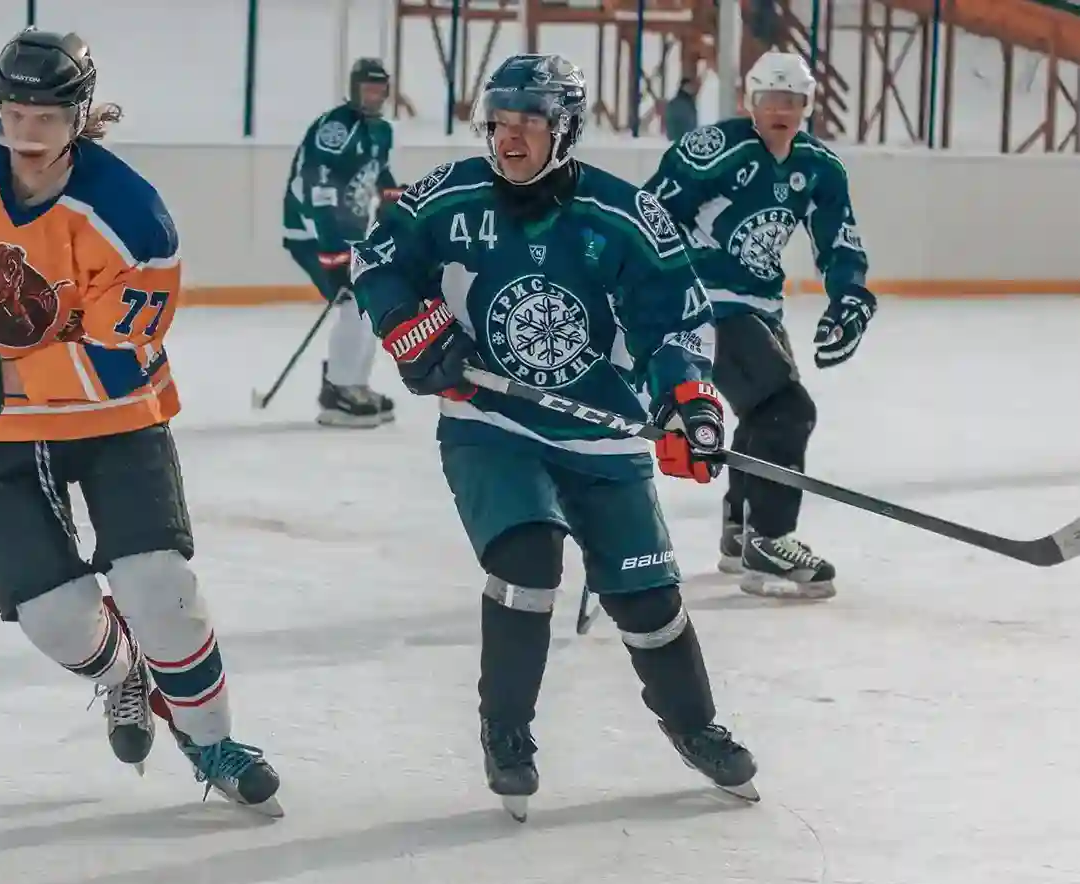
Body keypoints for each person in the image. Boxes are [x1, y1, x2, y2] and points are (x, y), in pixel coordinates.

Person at [0, 27, 281, 815]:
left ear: (81, 120)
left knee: (156, 586)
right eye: (10, 117)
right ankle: (122, 674)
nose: (25, 138)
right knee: (57, 619)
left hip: (114, 420)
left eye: (47, 120)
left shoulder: (132, 220)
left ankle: (211, 737)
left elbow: (117, 362)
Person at [349, 53, 758, 818]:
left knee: (648, 598)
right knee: (527, 558)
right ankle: (506, 731)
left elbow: (676, 320)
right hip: (490, 421)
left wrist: (690, 406)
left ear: (565, 129)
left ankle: (696, 726)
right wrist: (409, 327)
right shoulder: (449, 195)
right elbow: (378, 259)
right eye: (499, 123)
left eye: (529, 124)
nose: (509, 140)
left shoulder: (623, 216)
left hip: (601, 438)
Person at [644, 50, 874, 600]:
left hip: (759, 308)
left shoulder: (819, 168)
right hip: (705, 305)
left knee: (762, 415)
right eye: (771, 97)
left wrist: (850, 297)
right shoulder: (714, 150)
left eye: (792, 99)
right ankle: (769, 540)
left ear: (806, 106)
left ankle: (740, 529)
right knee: (787, 410)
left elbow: (839, 241)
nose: (781, 109)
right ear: (751, 101)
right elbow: (649, 214)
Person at [281, 57, 404, 427]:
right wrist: (332, 250)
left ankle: (354, 384)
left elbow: (378, 171)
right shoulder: (335, 127)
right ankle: (339, 390)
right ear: (353, 89)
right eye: (367, 89)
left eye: (379, 90)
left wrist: (393, 200)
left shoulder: (381, 131)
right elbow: (317, 185)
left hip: (349, 236)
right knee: (353, 301)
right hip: (313, 233)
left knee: (369, 300)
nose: (373, 97)